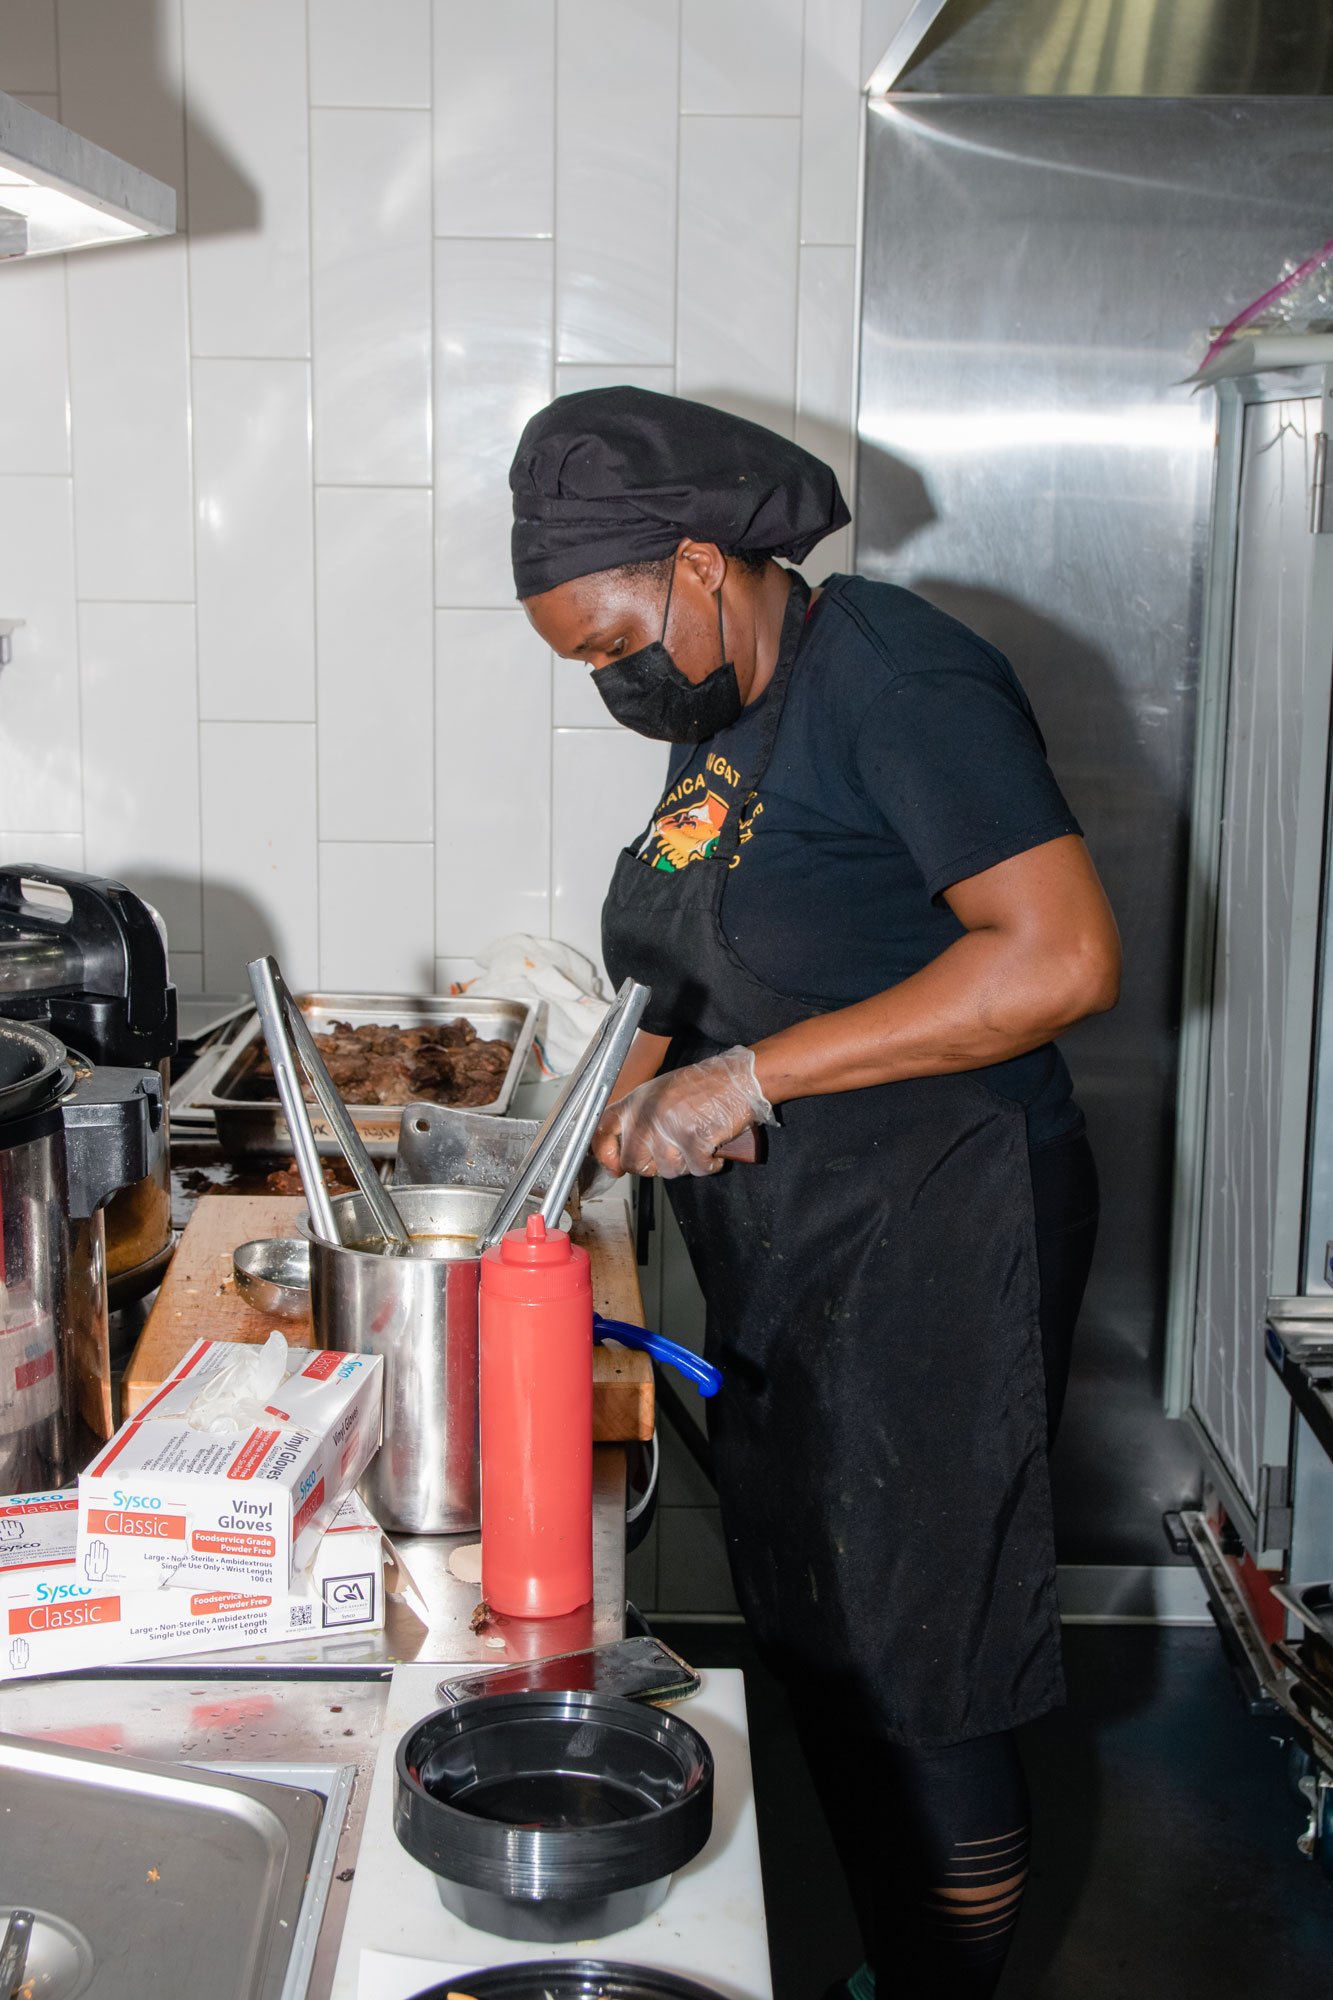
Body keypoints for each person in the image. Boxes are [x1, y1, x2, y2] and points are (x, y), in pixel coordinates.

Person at [510, 387, 1120, 2000]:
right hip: (799, 1237)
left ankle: (940, 1987)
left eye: (607, 638)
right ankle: (869, 1957)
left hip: (940, 1224)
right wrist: (587, 1127)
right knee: (821, 1626)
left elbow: (1057, 958)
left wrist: (752, 1080)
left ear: (702, 564)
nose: (609, 678)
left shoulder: (898, 679)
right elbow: (715, 962)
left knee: (924, 1653)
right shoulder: (730, 714)